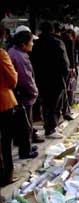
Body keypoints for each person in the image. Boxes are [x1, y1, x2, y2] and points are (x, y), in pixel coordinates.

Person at [31, 22, 70, 139]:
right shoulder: (57, 42)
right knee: (54, 105)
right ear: (52, 30)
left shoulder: (36, 43)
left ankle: (48, 126)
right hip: (56, 79)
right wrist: (65, 75)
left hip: (40, 79)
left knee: (45, 103)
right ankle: (51, 128)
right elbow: (65, 63)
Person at [8, 26, 39, 159]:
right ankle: (25, 151)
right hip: (23, 95)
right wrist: (34, 92)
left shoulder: (13, 52)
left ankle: (26, 145)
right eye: (31, 42)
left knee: (22, 124)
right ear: (23, 44)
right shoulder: (20, 57)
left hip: (18, 94)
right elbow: (26, 79)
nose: (32, 44)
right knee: (26, 124)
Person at [0, 23, 18, 186]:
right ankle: (6, 175)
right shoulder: (2, 55)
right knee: (5, 142)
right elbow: (13, 80)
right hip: (3, 102)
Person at [62, 28, 77, 119]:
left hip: (63, 68)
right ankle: (68, 106)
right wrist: (73, 67)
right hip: (68, 67)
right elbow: (71, 55)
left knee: (66, 88)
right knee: (70, 87)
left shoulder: (60, 40)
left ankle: (67, 106)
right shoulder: (69, 41)